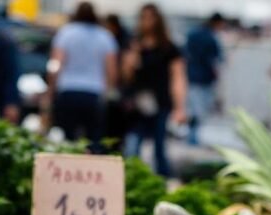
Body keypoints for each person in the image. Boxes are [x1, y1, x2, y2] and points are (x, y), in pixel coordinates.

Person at [122, 3, 186, 177]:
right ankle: (130, 178)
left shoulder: (169, 48)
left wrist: (180, 107)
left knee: (159, 145)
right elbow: (126, 75)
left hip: (161, 102)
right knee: (133, 144)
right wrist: (133, 56)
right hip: (137, 104)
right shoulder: (135, 44)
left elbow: (178, 77)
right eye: (143, 18)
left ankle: (163, 180)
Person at [49, 1, 117, 146]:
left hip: (68, 90)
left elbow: (55, 65)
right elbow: (111, 70)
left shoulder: (66, 33)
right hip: (94, 92)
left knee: (67, 140)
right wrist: (109, 92)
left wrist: (51, 89)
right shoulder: (105, 36)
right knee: (94, 140)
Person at [184, 12, 224, 145]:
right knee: (199, 110)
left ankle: (191, 135)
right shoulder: (211, 38)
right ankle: (193, 137)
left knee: (193, 108)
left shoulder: (192, 33)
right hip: (204, 78)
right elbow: (216, 60)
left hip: (192, 75)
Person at [104, 13, 130, 150]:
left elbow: (112, 68)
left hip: (117, 88)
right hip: (115, 88)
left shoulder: (116, 41)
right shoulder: (114, 39)